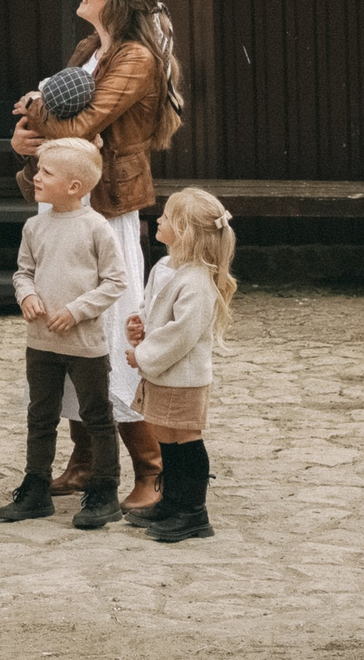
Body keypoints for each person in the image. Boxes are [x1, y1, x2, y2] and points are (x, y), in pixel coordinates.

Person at [10, 0, 187, 511]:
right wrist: (26, 137)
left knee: (109, 332)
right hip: (66, 198)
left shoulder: (135, 58)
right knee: (63, 327)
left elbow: (83, 124)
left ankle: (151, 469)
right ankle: (85, 460)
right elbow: (59, 126)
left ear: (118, 1)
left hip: (105, 204)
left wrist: (33, 110)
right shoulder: (90, 49)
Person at [0, 138, 129, 529]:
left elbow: (115, 281)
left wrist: (76, 311)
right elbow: (23, 272)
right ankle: (36, 487)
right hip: (40, 343)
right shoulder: (34, 226)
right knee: (40, 415)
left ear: (74, 187)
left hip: (84, 345)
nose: (36, 177)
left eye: (46, 172)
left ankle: (105, 490)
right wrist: (26, 295)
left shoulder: (96, 227)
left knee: (97, 416)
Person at [121, 186, 236, 542]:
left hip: (182, 377)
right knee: (165, 437)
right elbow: (153, 307)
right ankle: (171, 502)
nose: (159, 220)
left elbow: (180, 334)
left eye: (167, 217)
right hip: (164, 374)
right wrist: (139, 324)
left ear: (185, 232)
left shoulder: (197, 282)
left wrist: (142, 356)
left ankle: (193, 511)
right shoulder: (165, 267)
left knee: (185, 438)